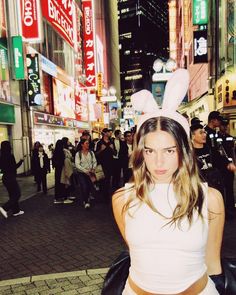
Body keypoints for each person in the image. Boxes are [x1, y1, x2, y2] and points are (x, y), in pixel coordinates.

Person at [112, 70, 225, 295]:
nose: (159, 161)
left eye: (169, 150)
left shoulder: (210, 198)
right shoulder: (123, 198)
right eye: (150, 151)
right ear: (140, 153)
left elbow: (213, 264)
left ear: (183, 151)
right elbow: (140, 254)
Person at [0, 141, 24, 218]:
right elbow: (14, 167)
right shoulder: (10, 156)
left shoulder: (1, 156)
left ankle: (16, 211)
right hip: (11, 177)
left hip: (5, 178)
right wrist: (21, 161)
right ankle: (4, 208)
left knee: (12, 195)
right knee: (17, 194)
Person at [75, 138, 97, 209]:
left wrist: (93, 168)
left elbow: (94, 161)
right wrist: (85, 171)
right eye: (86, 143)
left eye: (88, 143)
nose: (88, 144)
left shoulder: (91, 153)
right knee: (84, 186)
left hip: (90, 172)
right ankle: (86, 201)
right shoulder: (78, 154)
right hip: (82, 173)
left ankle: (87, 197)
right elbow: (77, 165)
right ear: (82, 145)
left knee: (90, 186)